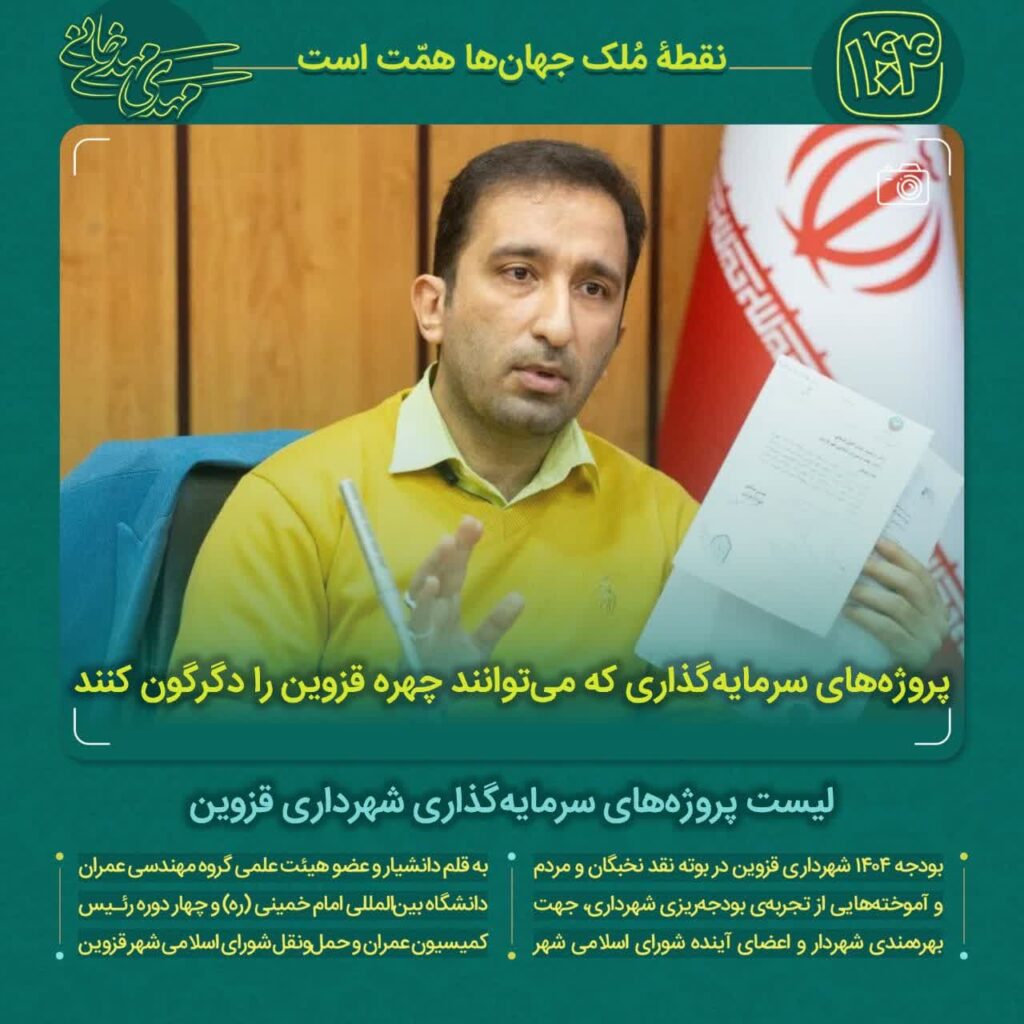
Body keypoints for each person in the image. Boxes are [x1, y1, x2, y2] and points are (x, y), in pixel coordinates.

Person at [170, 139, 947, 682]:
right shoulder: (290, 510)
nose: (557, 325)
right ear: (434, 307)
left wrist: (923, 673)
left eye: (594, 289)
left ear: (617, 334)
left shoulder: (672, 527)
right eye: (519, 273)